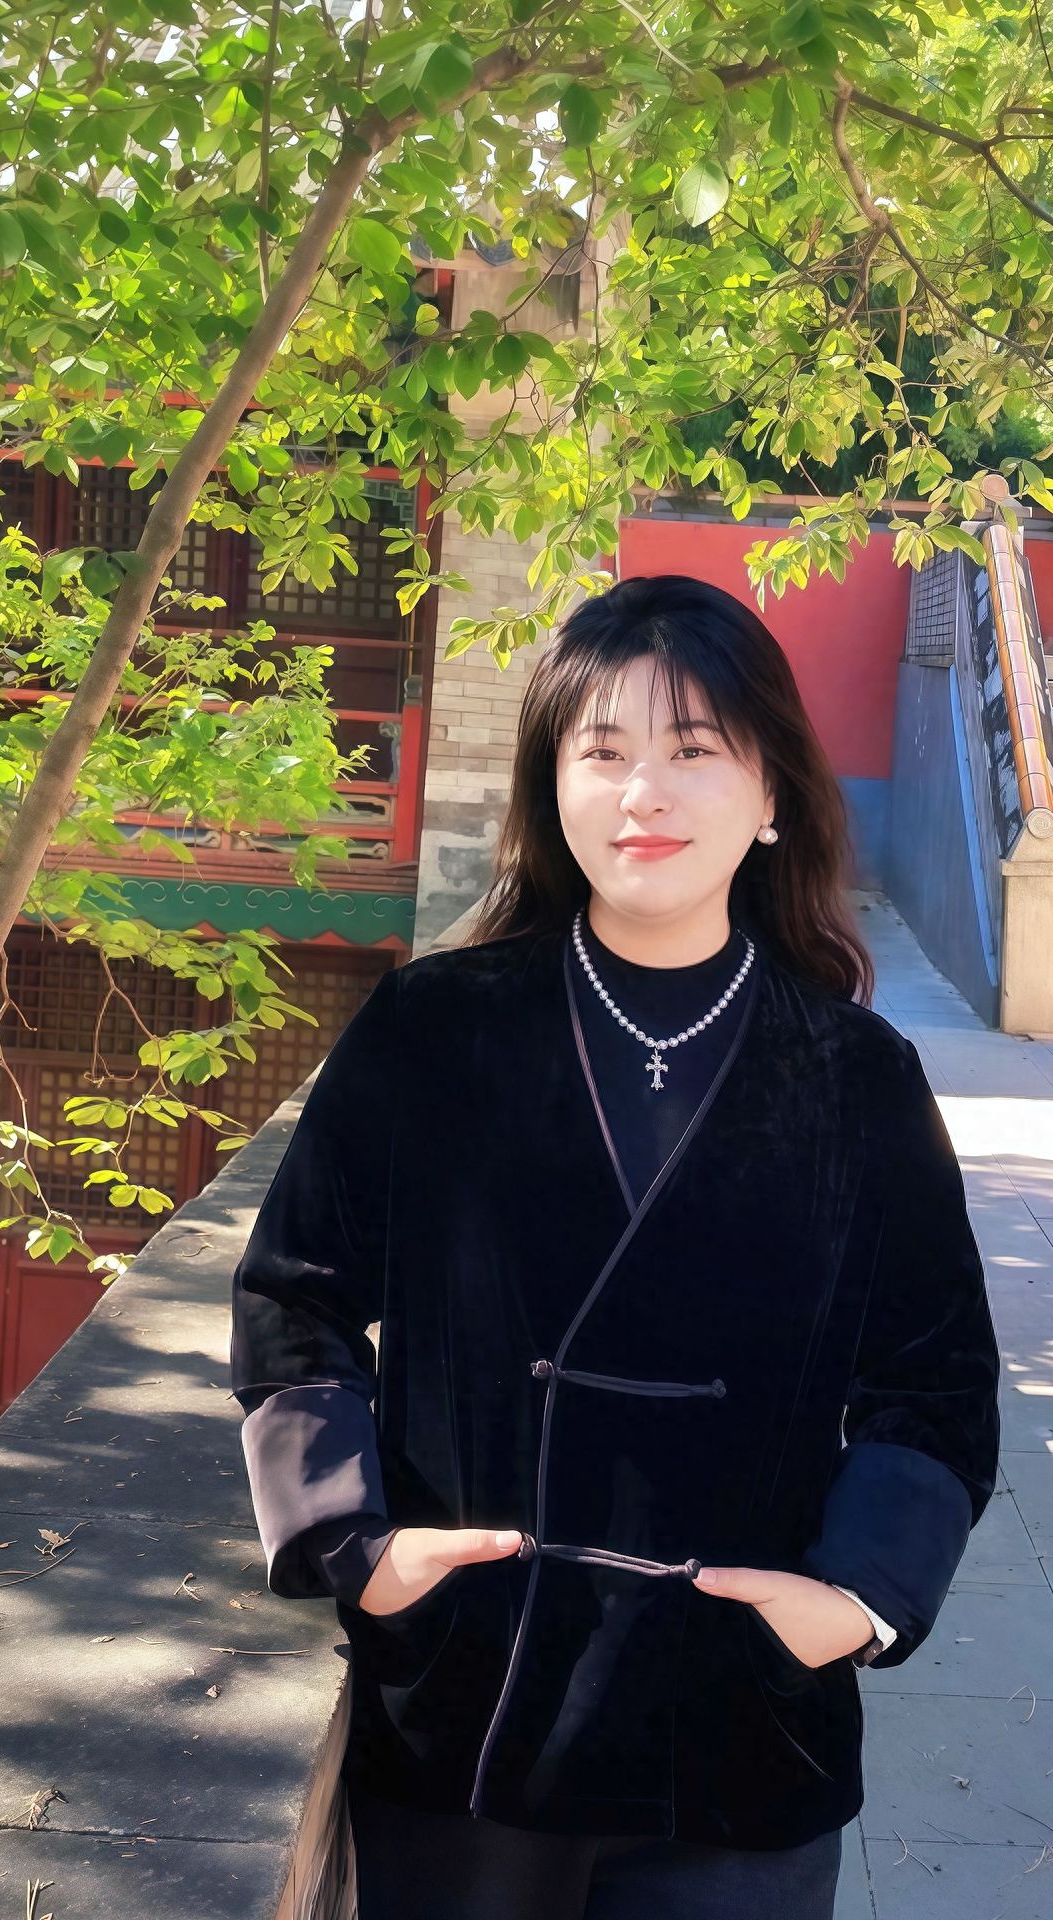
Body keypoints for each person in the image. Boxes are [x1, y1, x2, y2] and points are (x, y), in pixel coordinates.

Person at [229, 575, 1001, 1919]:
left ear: (771, 795)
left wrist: (858, 1597)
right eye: (603, 751)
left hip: (745, 1733)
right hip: (472, 1716)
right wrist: (355, 1544)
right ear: (554, 790)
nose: (645, 792)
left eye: (693, 749)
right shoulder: (435, 1031)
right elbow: (295, 1298)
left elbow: (932, 1382)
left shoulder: (857, 1076)